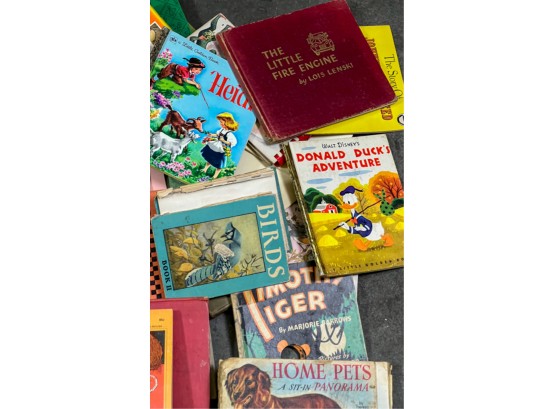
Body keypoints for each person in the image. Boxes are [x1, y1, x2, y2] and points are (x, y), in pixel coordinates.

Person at [200, 113, 239, 179]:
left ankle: (215, 176)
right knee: (210, 158)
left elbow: (231, 143)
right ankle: (205, 169)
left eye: (221, 122)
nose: (220, 123)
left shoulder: (229, 134)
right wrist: (211, 135)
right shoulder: (222, 130)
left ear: (227, 122)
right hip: (215, 145)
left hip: (221, 149)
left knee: (219, 164)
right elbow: (217, 135)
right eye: (220, 122)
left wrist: (223, 140)